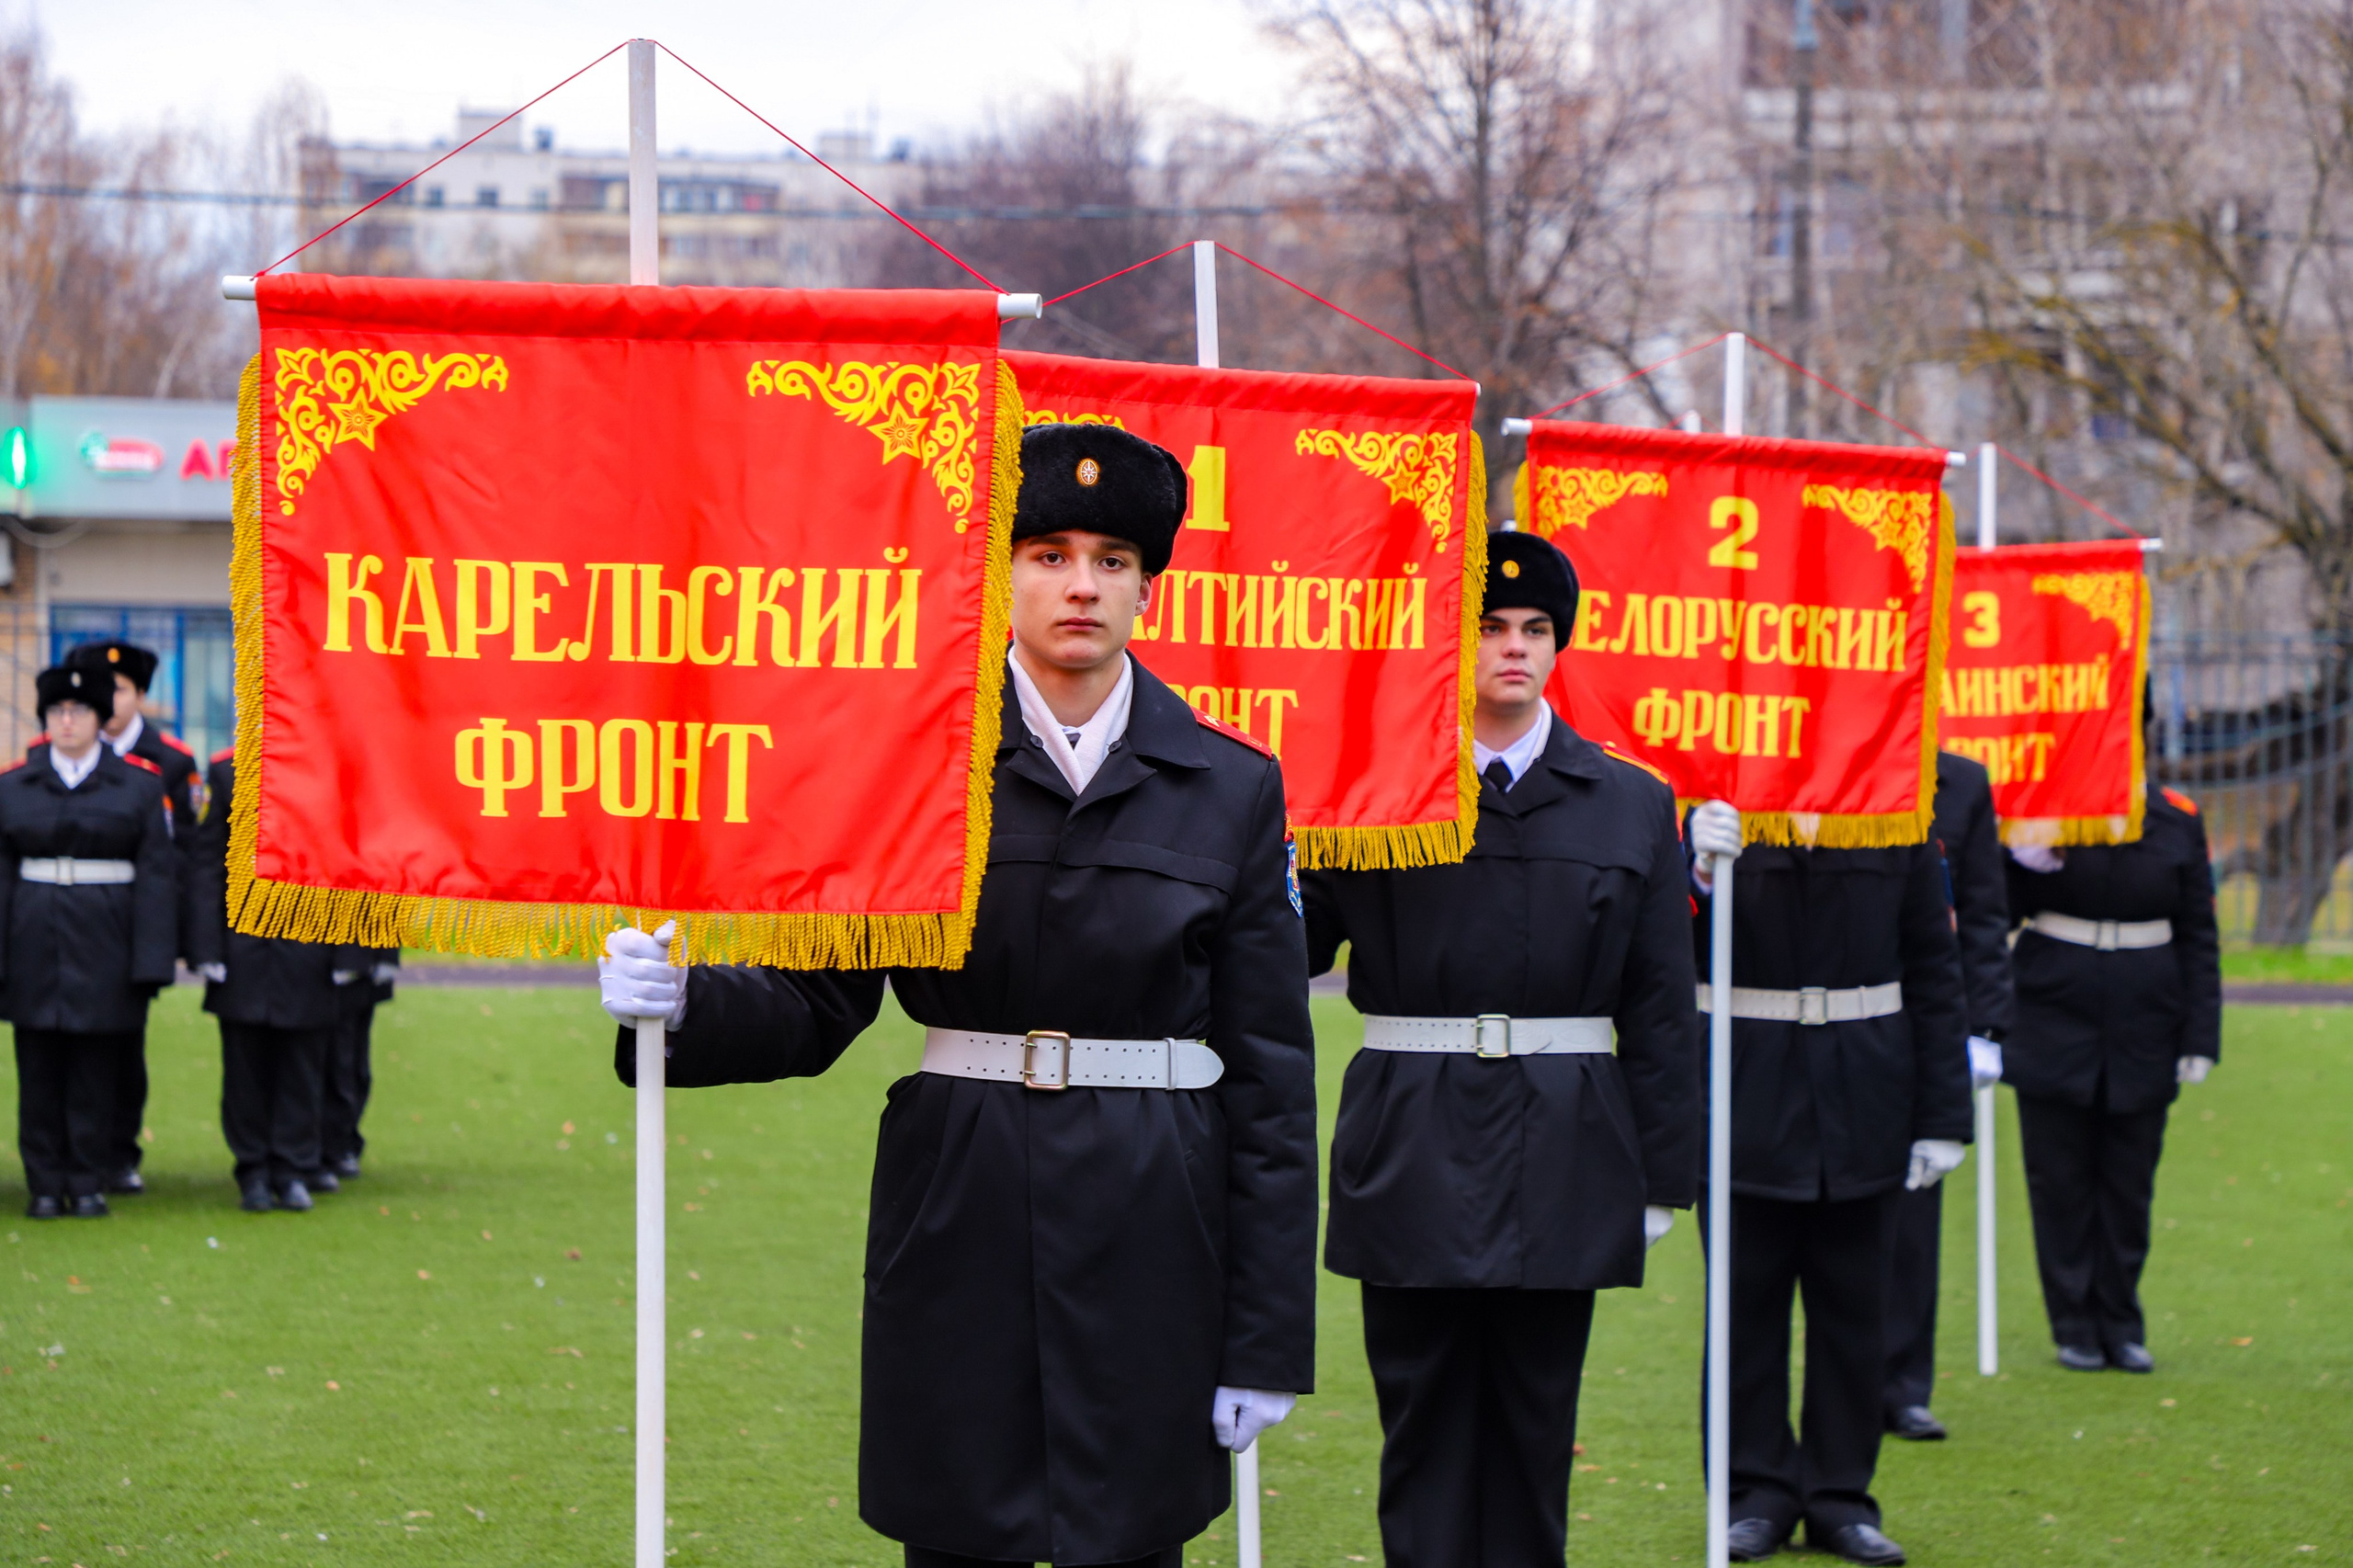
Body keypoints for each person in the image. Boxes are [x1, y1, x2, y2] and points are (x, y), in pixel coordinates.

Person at [596, 424, 1318, 1568]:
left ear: (1146, 583)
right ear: (1001, 571)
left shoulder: (1230, 785)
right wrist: (678, 1003)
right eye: (1048, 552)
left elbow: (1273, 1081)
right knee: (957, 1533)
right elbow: (818, 999)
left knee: (1131, 1541)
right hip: (962, 1203)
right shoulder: (914, 761)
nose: (1081, 583)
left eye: (1113, 559)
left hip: (1156, 1215)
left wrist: (1267, 1337)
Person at [1298, 528, 1701, 1568]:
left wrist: (1664, 1173)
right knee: (1421, 1420)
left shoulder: (1630, 801)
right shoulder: (1376, 786)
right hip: (1412, 1127)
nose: (1512, 648)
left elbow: (1660, 1002)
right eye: (1487, 627)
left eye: (1532, 629)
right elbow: (1285, 953)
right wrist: (1268, 843)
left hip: (1566, 1138)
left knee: (1533, 1423)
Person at [1687, 790, 1970, 1566]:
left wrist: (1945, 1116)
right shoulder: (1715, 815)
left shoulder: (1896, 816)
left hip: (1867, 1093)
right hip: (1744, 1093)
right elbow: (1662, 952)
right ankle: (1754, 1495)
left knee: (1857, 1315)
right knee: (1743, 1316)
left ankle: (1842, 1498)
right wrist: (1700, 871)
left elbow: (1934, 968)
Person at [2002, 781, 2220, 1374]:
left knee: (2129, 1184)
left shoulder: (2177, 816)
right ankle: (2073, 1323)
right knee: (2059, 1182)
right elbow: (1995, 911)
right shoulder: (2048, 807)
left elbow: (2198, 929)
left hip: (2147, 1017)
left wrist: (2201, 1035)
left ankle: (2121, 1323)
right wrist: (2019, 855)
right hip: (2053, 1013)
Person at [2, 664, 177, 1218]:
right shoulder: (13, 786)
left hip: (107, 939)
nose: (67, 721)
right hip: (34, 936)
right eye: (57, 711)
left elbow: (155, 875)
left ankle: (87, 1178)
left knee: (96, 1069)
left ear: (101, 720)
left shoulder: (140, 785)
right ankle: (46, 1183)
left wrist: (151, 961)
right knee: (39, 1068)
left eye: (78, 711)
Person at [1883, 751, 2015, 1441]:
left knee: (1912, 1217)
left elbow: (1984, 913)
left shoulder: (1960, 781)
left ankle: (1903, 1384)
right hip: (1839, 1004)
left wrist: (1984, 1027)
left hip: (1926, 1017)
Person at [39, 640, 200, 1197]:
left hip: (126, 924)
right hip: (61, 927)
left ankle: (116, 1151)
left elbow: (177, 855)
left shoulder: (171, 762)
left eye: (121, 690)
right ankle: (62, 1160)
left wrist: (166, 936)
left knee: (122, 1050)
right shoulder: (43, 759)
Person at [188, 748, 349, 1212]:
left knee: (303, 1065)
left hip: (309, 939)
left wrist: (350, 948)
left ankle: (293, 1168)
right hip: (245, 944)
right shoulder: (227, 772)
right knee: (245, 1068)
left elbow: (348, 861)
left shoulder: (328, 770)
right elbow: (207, 863)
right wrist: (206, 948)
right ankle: (253, 1170)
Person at [323, 947, 399, 1181]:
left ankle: (340, 1141)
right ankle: (325, 1143)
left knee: (348, 1059)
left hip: (358, 958)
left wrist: (387, 956)